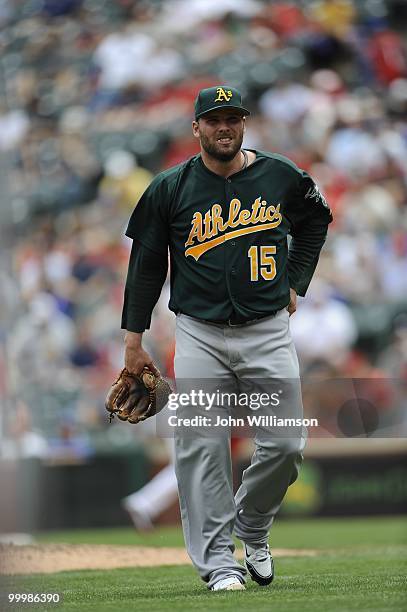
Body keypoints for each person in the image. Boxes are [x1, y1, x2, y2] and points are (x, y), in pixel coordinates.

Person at [121, 85, 332, 591]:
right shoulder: (170, 188)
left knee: (285, 444)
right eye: (214, 120)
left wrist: (295, 281)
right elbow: (146, 266)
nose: (224, 127)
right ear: (196, 128)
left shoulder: (280, 175)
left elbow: (316, 220)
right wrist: (133, 340)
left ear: (244, 124)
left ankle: (252, 527)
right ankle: (218, 564)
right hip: (199, 332)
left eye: (233, 118)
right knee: (200, 446)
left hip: (266, 328)